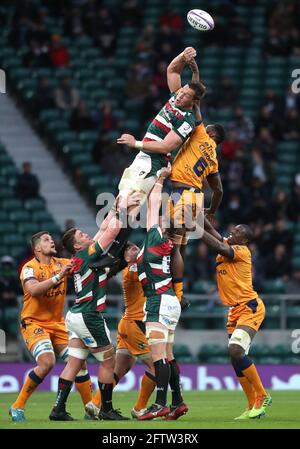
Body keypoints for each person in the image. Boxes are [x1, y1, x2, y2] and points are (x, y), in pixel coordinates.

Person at [101, 47, 204, 265]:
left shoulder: (187, 121)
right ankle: (109, 252)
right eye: (182, 90)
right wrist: (183, 57)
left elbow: (167, 145)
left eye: (186, 94)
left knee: (127, 205)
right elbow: (172, 71)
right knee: (124, 205)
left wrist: (136, 143)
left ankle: (110, 254)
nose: (181, 94)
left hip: (153, 162)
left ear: (192, 102)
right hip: (143, 159)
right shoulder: (177, 97)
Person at [49, 192, 141, 421]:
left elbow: (102, 231)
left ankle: (57, 410)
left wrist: (116, 206)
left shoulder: (82, 257)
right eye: (81, 234)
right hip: (90, 315)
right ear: (76, 244)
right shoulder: (88, 255)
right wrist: (122, 210)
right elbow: (109, 232)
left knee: (75, 362)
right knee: (109, 361)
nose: (87, 233)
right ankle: (106, 409)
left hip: (76, 315)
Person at [9, 232, 94, 422]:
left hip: (58, 323)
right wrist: (58, 277)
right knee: (47, 362)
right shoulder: (29, 268)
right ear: (37, 248)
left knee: (79, 362)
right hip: (34, 323)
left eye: (51, 239)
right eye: (46, 240)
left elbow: (88, 258)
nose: (52, 241)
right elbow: (33, 290)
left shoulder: (62, 263)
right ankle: (17, 406)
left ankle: (91, 411)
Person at [201, 219, 272, 420]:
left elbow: (215, 244)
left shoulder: (241, 251)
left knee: (235, 350)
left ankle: (263, 396)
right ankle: (252, 406)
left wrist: (193, 227)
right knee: (235, 358)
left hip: (250, 306)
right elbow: (213, 233)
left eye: (238, 230)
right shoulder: (228, 244)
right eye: (233, 229)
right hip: (234, 310)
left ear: (245, 239)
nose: (233, 230)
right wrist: (198, 218)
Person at [136, 166, 188, 421]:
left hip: (157, 300)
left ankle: (159, 404)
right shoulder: (168, 246)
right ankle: (177, 401)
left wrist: (160, 180)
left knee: (159, 357)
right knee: (168, 355)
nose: (160, 217)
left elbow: (153, 204)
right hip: (169, 299)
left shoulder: (155, 236)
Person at [167, 90, 225, 302]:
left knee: (175, 243)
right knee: (180, 245)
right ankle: (178, 292)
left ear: (211, 134)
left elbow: (196, 106)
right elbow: (218, 190)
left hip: (182, 193)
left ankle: (178, 294)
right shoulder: (214, 159)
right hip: (194, 196)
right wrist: (211, 211)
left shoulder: (201, 134)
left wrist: (194, 77)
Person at [88, 245, 157, 419]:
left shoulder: (135, 268)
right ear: (125, 257)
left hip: (127, 324)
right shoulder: (132, 268)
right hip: (135, 325)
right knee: (157, 367)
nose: (137, 250)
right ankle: (139, 408)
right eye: (132, 249)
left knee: (120, 369)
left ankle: (95, 403)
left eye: (137, 248)